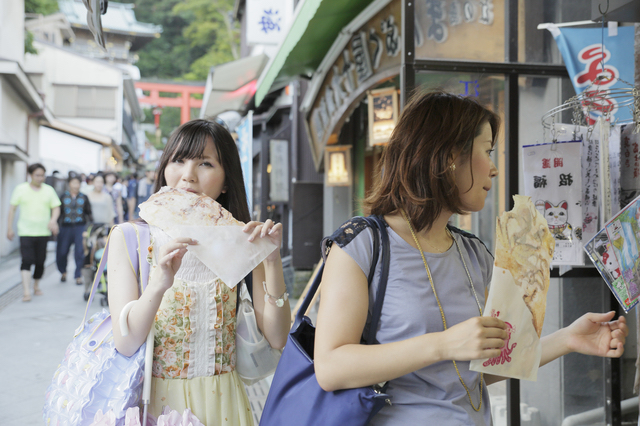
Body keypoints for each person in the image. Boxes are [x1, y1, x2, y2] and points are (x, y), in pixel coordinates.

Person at [313, 91, 629, 425]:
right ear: (450, 156)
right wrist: (444, 345)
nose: (493, 169)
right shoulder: (362, 243)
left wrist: (567, 339)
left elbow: (485, 368)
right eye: (487, 151)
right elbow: (331, 368)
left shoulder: (473, 252)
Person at [107, 119, 290, 424]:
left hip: (226, 403)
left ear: (227, 180)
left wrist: (270, 260)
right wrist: (158, 284)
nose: (188, 176)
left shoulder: (243, 239)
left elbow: (277, 337)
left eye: (205, 163)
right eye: (178, 160)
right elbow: (126, 342)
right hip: (158, 404)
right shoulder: (130, 238)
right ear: (165, 167)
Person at [7, 163, 61, 302]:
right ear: (30, 175)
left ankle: (36, 285)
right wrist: (9, 228)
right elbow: (12, 209)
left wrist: (53, 220)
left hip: (43, 232)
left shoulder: (49, 190)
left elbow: (56, 207)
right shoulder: (21, 189)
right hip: (25, 231)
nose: (40, 178)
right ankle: (26, 291)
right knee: (27, 260)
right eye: (37, 175)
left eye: (42, 175)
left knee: (40, 261)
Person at [56, 175, 93, 285]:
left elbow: (89, 214)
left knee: (79, 252)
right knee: (62, 251)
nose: (75, 185)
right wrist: (57, 226)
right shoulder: (63, 197)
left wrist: (88, 229)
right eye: (73, 183)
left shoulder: (84, 197)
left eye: (77, 183)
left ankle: (78, 275)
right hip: (65, 227)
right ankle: (63, 272)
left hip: (80, 227)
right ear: (69, 184)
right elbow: (58, 213)